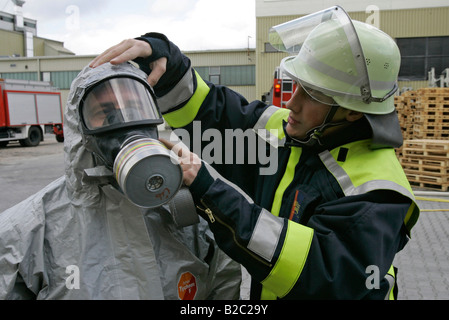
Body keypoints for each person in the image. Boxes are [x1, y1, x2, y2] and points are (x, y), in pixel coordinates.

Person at [90, 6, 420, 299]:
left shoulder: (378, 192)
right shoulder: (293, 132)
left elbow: (319, 273)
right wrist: (167, 63)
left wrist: (210, 192)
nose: (292, 102)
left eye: (313, 94)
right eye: (297, 85)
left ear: (351, 112)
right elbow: (214, 115)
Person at [0, 62, 241, 300]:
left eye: (137, 108)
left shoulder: (191, 212)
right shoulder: (26, 233)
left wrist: (205, 191)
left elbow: (223, 286)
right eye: (105, 113)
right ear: (80, 130)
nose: (126, 122)